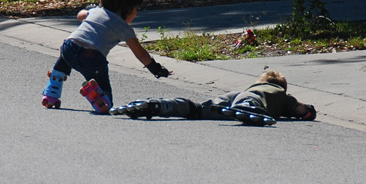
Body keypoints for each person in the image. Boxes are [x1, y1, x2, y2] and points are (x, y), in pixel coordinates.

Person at [41, 0, 171, 112]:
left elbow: (80, 15)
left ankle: (52, 90)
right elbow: (140, 53)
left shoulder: (96, 11)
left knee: (64, 61)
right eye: (136, 9)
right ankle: (100, 97)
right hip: (92, 57)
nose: (136, 14)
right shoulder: (125, 29)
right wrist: (156, 69)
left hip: (70, 46)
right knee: (104, 89)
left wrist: (89, 9)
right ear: (127, 10)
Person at [113, 70, 316, 125]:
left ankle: (161, 105)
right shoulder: (279, 93)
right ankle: (246, 110)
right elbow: (301, 110)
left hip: (228, 100)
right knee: (249, 101)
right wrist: (309, 110)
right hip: (245, 100)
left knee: (197, 109)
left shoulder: (250, 87)